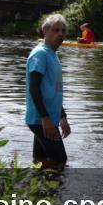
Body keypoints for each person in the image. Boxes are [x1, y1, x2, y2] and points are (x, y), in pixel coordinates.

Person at [26, 13, 72, 168]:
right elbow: (34, 88)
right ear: (45, 31)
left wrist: (63, 117)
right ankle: (53, 191)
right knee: (60, 160)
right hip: (41, 119)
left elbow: (55, 91)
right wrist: (45, 119)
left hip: (49, 118)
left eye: (63, 31)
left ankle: (37, 190)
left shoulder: (52, 55)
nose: (60, 34)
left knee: (40, 160)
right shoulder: (40, 54)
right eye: (55, 30)